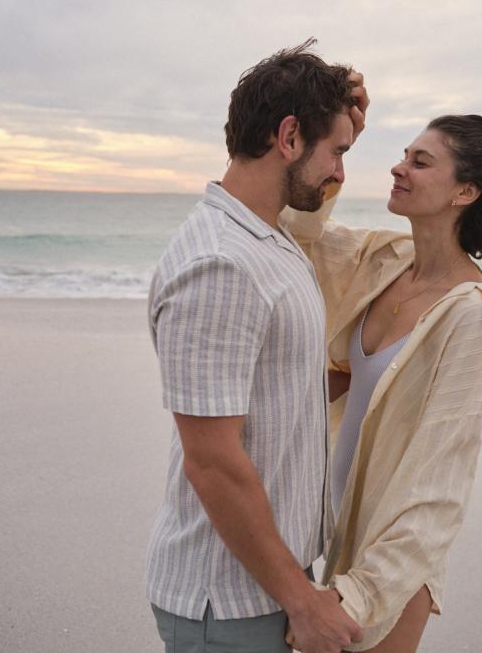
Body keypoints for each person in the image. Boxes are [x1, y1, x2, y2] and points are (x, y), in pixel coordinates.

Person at [146, 40, 369, 653]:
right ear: (289, 136)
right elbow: (211, 460)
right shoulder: (221, 264)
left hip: (264, 585)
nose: (340, 174)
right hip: (227, 601)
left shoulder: (266, 238)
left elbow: (275, 385)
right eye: (337, 153)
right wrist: (302, 601)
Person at [282, 114, 482, 652]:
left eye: (420, 162)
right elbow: (297, 235)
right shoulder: (387, 259)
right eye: (403, 156)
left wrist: (361, 594)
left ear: (465, 191)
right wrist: (331, 137)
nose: (399, 168)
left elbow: (442, 476)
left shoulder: (473, 313)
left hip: (392, 572)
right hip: (337, 535)